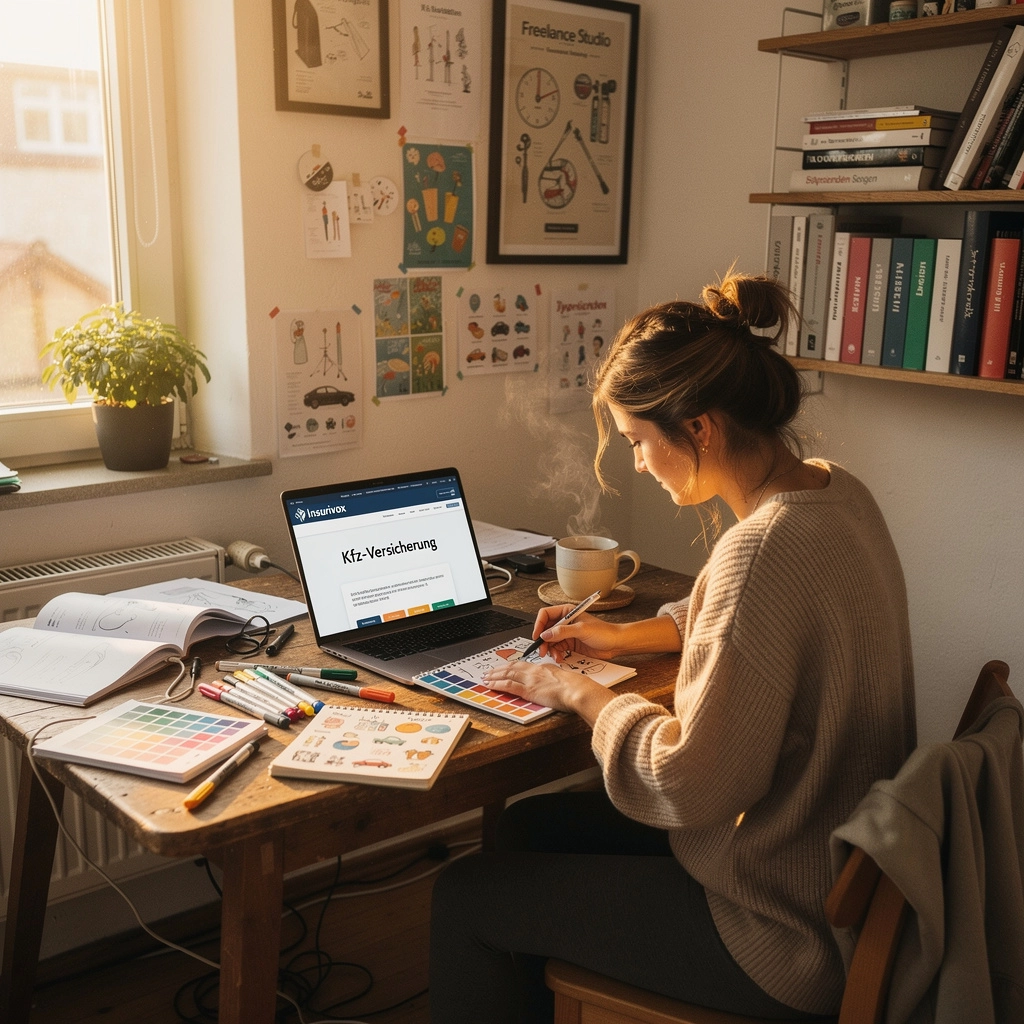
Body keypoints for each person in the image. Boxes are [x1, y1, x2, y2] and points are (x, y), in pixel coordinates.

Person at [428, 271, 916, 1023]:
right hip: (828, 879)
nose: (636, 464)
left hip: (780, 935)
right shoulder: (833, 491)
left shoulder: (760, 549)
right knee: (529, 828)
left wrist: (581, 693)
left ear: (699, 428)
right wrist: (625, 634)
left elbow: (689, 787)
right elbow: (765, 621)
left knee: (466, 894)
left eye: (637, 441)